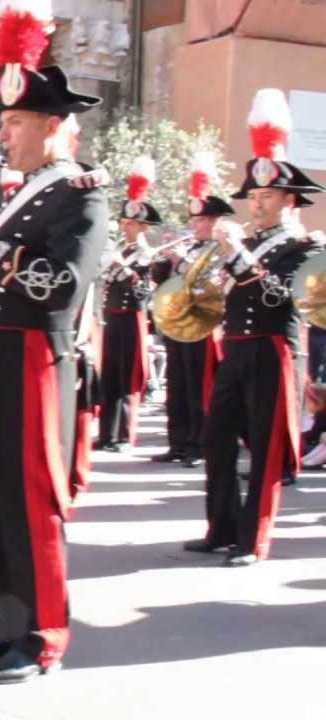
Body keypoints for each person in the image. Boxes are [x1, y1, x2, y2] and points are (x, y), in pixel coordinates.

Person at [0, 49, 106, 680]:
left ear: (51, 126)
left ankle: (43, 634)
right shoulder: (13, 197)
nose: (2, 135)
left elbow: (63, 284)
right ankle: (8, 617)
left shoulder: (81, 195)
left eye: (13, 123)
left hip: (35, 358)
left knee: (32, 496)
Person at [184, 88, 322, 566]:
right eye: (254, 196)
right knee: (215, 436)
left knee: (264, 446)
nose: (257, 205)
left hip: (271, 348)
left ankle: (253, 538)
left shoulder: (304, 246)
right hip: (235, 347)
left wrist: (236, 255)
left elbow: (278, 295)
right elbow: (223, 293)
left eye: (267, 196)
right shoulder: (247, 242)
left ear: (289, 199)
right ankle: (220, 527)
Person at [149, 154, 233, 468]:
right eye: (194, 220)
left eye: (200, 220)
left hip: (203, 326)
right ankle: (178, 441)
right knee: (178, 384)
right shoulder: (193, 248)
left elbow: (208, 287)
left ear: (214, 223)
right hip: (179, 324)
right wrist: (162, 262)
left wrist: (181, 262)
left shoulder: (220, 251)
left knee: (200, 386)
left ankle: (199, 443)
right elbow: (165, 283)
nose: (194, 225)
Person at [95, 158, 159, 452]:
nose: (125, 226)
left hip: (132, 317)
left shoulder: (147, 254)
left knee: (126, 376)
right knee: (108, 374)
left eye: (131, 222)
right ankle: (107, 433)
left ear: (143, 225)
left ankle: (123, 435)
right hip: (111, 315)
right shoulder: (119, 249)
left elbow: (143, 290)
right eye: (123, 221)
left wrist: (122, 269)